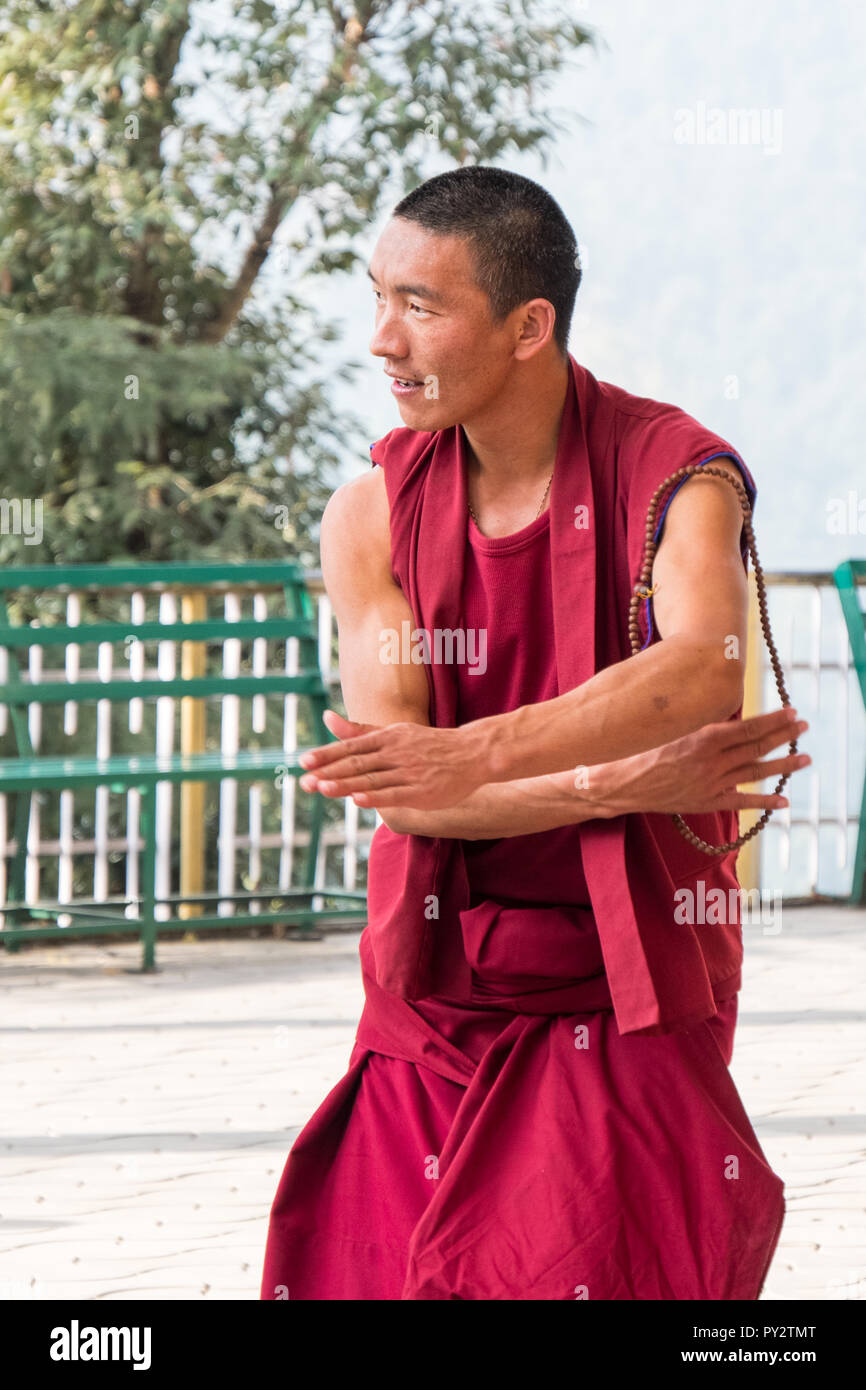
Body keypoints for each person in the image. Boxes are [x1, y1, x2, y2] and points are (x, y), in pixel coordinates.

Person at [260, 166, 809, 1301]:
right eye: (377, 299)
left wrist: (475, 752)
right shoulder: (370, 513)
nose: (381, 341)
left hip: (618, 980)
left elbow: (698, 672)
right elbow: (404, 788)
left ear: (527, 327)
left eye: (420, 306)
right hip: (435, 982)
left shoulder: (675, 474)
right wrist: (616, 779)